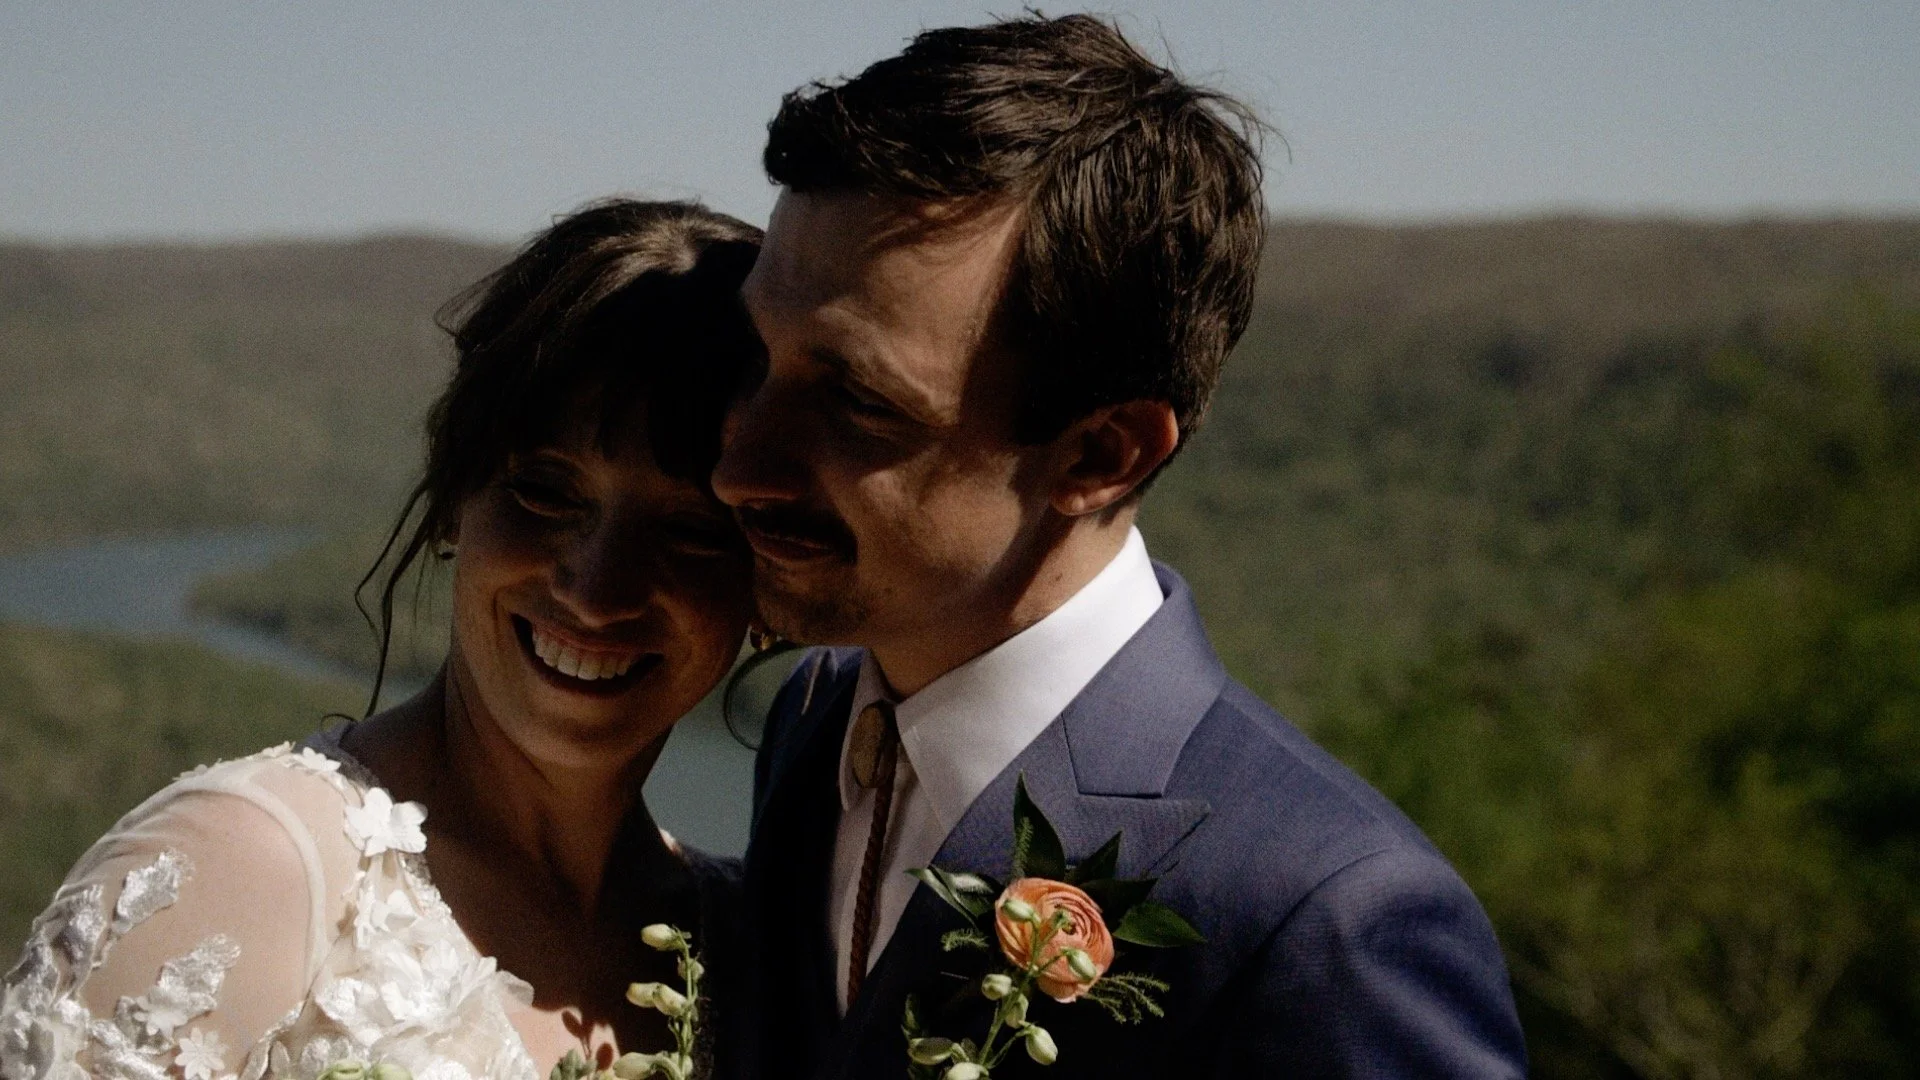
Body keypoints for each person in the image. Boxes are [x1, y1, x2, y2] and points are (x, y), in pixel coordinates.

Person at [718, 15, 1529, 1078]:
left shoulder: (1327, 921)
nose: (739, 465)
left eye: (859, 402)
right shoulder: (815, 721)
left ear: (1102, 453)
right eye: (752, 356)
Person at [0, 199, 764, 1080]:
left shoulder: (756, 948)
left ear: (774, 580)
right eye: (546, 493)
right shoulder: (246, 875)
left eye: (691, 531)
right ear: (453, 503)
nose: (595, 592)